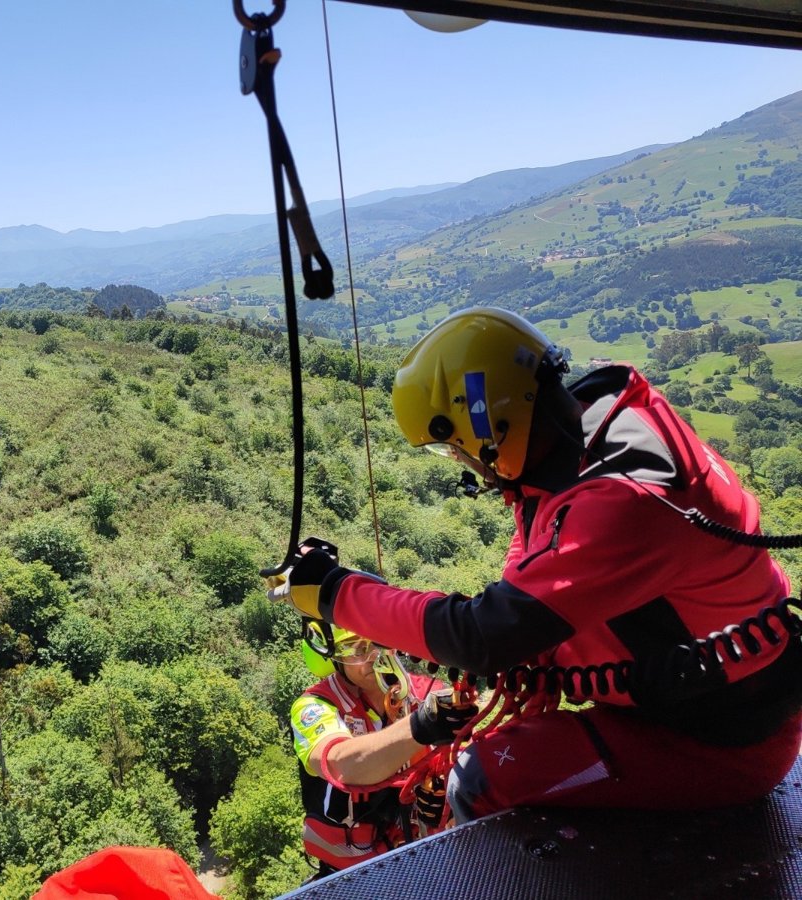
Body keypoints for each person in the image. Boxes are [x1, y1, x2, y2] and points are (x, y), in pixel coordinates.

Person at [276, 306, 802, 825]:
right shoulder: (584, 438)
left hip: (721, 742)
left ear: (483, 425)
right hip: (695, 706)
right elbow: (532, 550)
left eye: (452, 446)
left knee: (477, 782)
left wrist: (335, 593)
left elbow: (482, 637)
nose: (459, 460)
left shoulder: (621, 500)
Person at [290, 621, 474, 877]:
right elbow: (342, 767)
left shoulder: (426, 693)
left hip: (421, 851)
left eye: (379, 641)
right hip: (351, 870)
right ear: (334, 657)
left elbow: (464, 763)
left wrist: (450, 798)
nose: (373, 656)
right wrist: (419, 726)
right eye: (356, 649)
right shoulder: (315, 706)